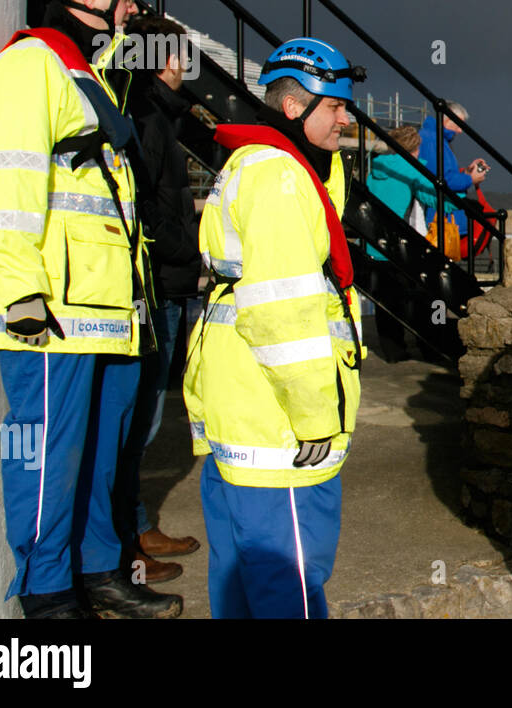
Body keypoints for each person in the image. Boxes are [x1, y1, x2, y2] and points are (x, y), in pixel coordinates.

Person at [0, 0, 181, 618]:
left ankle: (98, 572)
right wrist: (19, 299)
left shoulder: (83, 73)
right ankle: (48, 595)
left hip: (107, 311)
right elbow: (8, 188)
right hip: (53, 311)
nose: (131, 11)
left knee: (100, 452)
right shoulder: (31, 66)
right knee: (49, 457)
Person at [183, 36, 365, 618]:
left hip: (246, 413)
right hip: (281, 425)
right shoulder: (281, 176)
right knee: (291, 586)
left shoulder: (262, 163)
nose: (346, 118)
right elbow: (283, 312)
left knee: (240, 582)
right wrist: (315, 415)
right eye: (334, 106)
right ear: (294, 108)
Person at [115, 14, 203, 582]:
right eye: (180, 56)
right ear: (161, 60)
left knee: (139, 424)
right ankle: (124, 546)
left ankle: (136, 527)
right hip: (157, 286)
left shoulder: (156, 117)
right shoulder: (146, 118)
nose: (186, 68)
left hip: (164, 283)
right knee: (136, 425)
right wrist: (181, 254)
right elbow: (146, 206)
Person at [365, 124, 455, 359]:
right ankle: (430, 346)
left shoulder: (374, 168)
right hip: (403, 246)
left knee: (385, 301)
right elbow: (434, 199)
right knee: (425, 298)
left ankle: (393, 350)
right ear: (413, 148)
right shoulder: (409, 169)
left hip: (375, 245)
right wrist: (461, 194)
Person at [418, 99, 486, 234]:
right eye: (458, 124)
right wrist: (470, 179)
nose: (460, 130)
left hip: (438, 211)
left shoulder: (434, 138)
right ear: (447, 120)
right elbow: (443, 180)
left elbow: (441, 174)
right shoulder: (432, 140)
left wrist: (467, 172)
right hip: (438, 215)